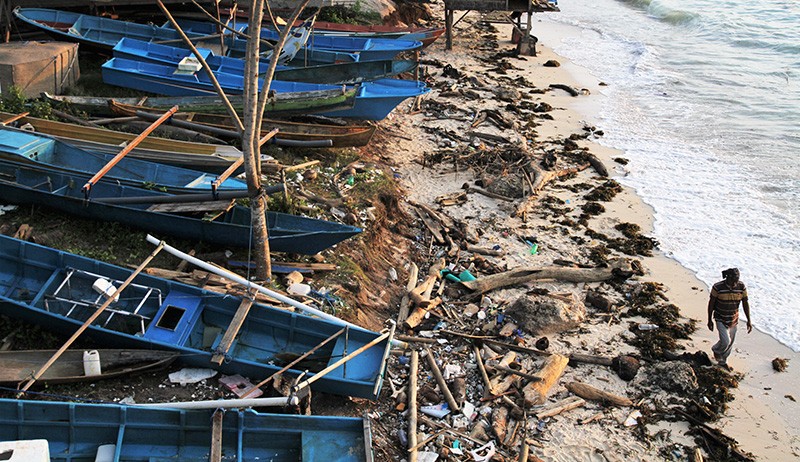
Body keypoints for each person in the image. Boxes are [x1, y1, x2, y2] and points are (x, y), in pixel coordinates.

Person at [707, 268, 752, 370]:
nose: (735, 283)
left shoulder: (741, 287)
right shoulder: (718, 287)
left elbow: (745, 303)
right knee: (725, 341)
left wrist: (749, 320)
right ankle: (716, 350)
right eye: (733, 281)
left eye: (737, 280)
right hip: (720, 317)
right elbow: (711, 304)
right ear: (727, 278)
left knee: (731, 341)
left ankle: (723, 361)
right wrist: (709, 320)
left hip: (733, 318)